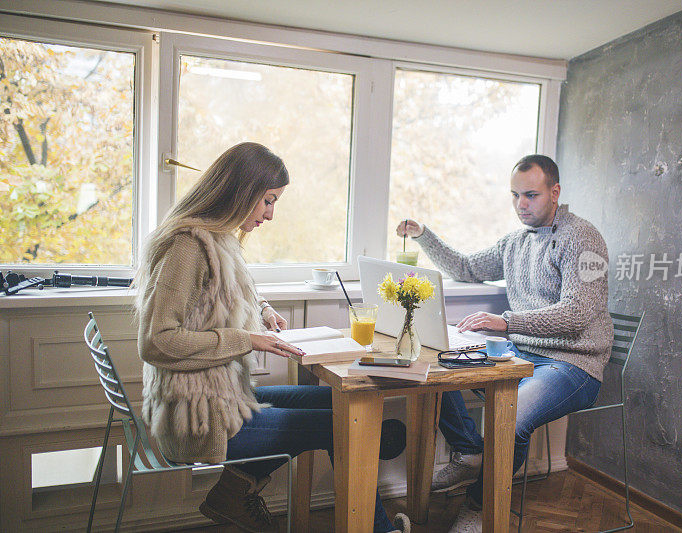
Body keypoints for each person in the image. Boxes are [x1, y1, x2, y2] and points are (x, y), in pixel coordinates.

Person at [134, 142, 409, 533]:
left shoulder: (218, 238)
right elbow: (156, 342)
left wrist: (262, 311)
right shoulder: (187, 246)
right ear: (240, 191)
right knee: (355, 425)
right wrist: (246, 339)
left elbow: (230, 287)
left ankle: (233, 492)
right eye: (267, 201)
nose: (270, 214)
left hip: (224, 395)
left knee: (341, 401)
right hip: (200, 415)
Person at [396, 154, 612, 532]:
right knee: (439, 364)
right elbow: (465, 267)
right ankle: (469, 454)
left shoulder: (583, 237)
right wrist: (423, 234)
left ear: (555, 192)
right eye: (514, 196)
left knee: (509, 417)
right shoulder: (516, 241)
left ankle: (480, 508)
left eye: (530, 195)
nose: (521, 205)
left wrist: (506, 322)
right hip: (522, 352)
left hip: (574, 363)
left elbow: (577, 313)